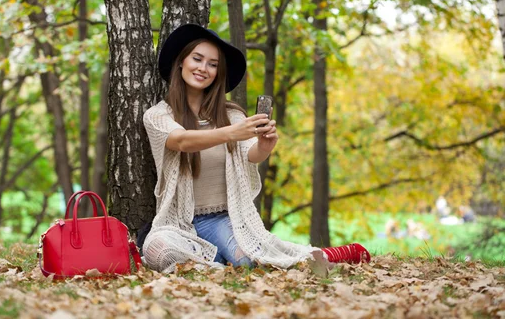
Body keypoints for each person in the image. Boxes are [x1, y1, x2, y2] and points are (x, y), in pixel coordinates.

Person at [140, 23, 370, 273]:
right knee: (158, 249)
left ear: (218, 73)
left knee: (250, 259)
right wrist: (230, 133)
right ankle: (216, 264)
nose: (203, 68)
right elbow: (181, 141)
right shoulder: (158, 115)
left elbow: (251, 155)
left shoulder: (231, 115)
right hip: (178, 224)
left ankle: (329, 255)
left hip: (222, 219)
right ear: (181, 62)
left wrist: (265, 145)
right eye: (197, 59)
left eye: (213, 64)